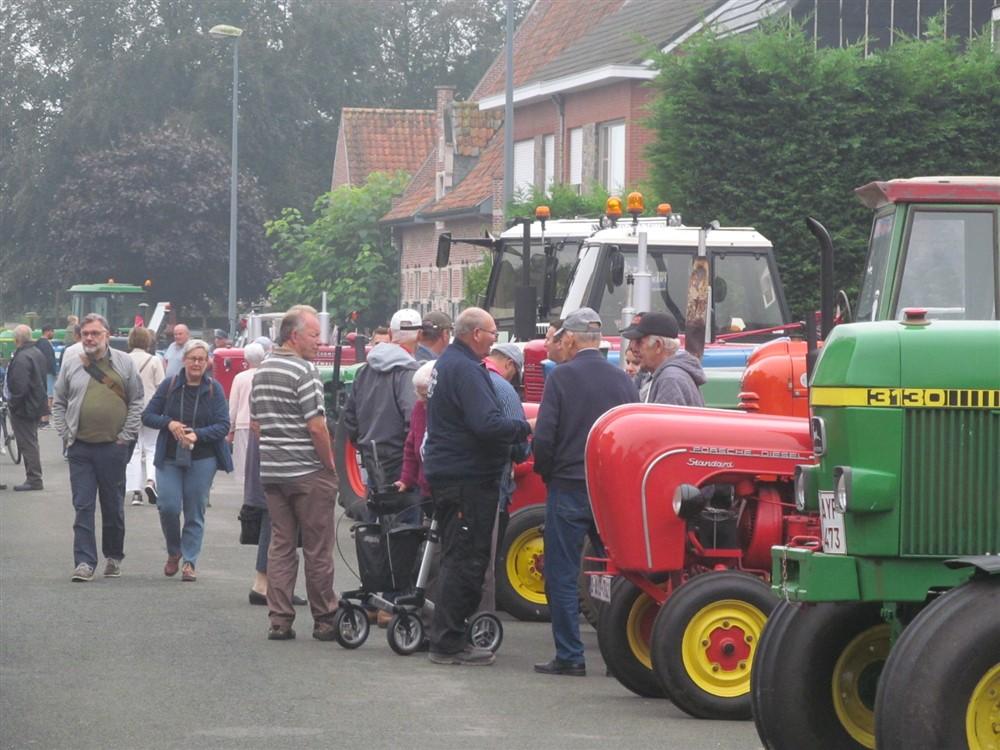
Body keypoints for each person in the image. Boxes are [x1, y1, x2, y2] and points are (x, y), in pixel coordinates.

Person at [532, 307, 638, 676]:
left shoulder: (561, 378)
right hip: (608, 489)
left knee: (562, 573)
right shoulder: (623, 381)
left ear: (573, 339)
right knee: (617, 571)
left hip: (569, 485)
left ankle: (570, 655)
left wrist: (547, 472)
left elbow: (544, 437)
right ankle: (619, 655)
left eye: (561, 338)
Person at [423, 307, 532, 666]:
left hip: (451, 472)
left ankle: (447, 635)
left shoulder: (448, 365)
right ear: (474, 334)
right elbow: (485, 424)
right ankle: (448, 641)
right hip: (467, 477)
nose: (495, 338)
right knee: (466, 559)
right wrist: (523, 427)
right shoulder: (467, 371)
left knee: (459, 555)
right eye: (491, 332)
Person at [250, 305, 339, 642]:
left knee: (281, 546)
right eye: (315, 335)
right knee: (317, 547)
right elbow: (317, 427)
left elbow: (256, 424)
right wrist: (329, 464)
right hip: (307, 471)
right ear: (294, 335)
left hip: (273, 471)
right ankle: (325, 617)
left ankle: (280, 619)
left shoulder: (262, 371)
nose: (321, 341)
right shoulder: (305, 372)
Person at [342, 307, 422, 626]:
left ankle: (374, 598)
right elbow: (413, 420)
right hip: (400, 464)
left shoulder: (364, 370)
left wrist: (364, 442)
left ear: (390, 333)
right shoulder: (407, 372)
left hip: (371, 460)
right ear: (416, 336)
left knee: (374, 531)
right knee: (403, 533)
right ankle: (393, 603)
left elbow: (349, 417)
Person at [52, 313, 143, 582]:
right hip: (80, 447)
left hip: (113, 447)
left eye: (95, 333)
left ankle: (113, 556)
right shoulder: (71, 363)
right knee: (82, 505)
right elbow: (58, 401)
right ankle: (84, 562)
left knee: (113, 505)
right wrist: (65, 433)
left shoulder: (124, 363)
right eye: (85, 334)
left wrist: (125, 435)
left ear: (107, 334)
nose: (89, 338)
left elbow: (137, 400)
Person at [142, 338, 231, 581]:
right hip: (170, 456)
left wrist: (198, 434)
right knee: (168, 506)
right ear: (184, 360)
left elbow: (223, 425)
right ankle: (174, 551)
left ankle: (189, 561)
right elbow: (148, 415)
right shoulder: (169, 386)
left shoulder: (214, 390)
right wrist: (169, 423)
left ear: (207, 363)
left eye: (201, 359)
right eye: (192, 358)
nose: (196, 363)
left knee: (194, 509)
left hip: (203, 457)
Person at [620, 311, 705, 406]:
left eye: (639, 342)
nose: (633, 347)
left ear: (658, 346)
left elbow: (663, 421)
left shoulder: (670, 380)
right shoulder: (669, 376)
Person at [126, 327, 165, 505]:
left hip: (129, 410)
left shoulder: (124, 360)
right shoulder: (154, 360)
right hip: (151, 409)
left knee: (133, 450)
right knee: (152, 447)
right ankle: (151, 480)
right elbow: (162, 387)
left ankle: (135, 492)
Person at [6, 325, 49, 491]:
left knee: (27, 442)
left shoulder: (22, 357)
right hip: (35, 403)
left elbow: (19, 385)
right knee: (32, 440)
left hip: (25, 406)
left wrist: (13, 403)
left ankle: (34, 478)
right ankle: (34, 477)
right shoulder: (37, 353)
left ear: (17, 340)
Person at [394, 361, 435, 502]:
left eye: (426, 395)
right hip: (424, 489)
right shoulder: (419, 408)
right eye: (418, 393)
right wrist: (406, 479)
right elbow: (411, 445)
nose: (422, 399)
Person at [227, 342, 266, 490]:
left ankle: (248, 495)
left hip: (243, 423)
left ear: (246, 358)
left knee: (244, 462)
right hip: (262, 424)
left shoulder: (239, 378)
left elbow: (233, 406)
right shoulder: (265, 375)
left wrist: (231, 428)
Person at [36, 325, 58, 423]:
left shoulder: (38, 343)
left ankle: (41, 416)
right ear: (47, 332)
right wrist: (55, 372)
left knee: (44, 394)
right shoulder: (46, 344)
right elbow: (49, 359)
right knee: (50, 395)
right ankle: (45, 418)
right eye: (52, 331)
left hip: (40, 372)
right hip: (48, 372)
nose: (53, 334)